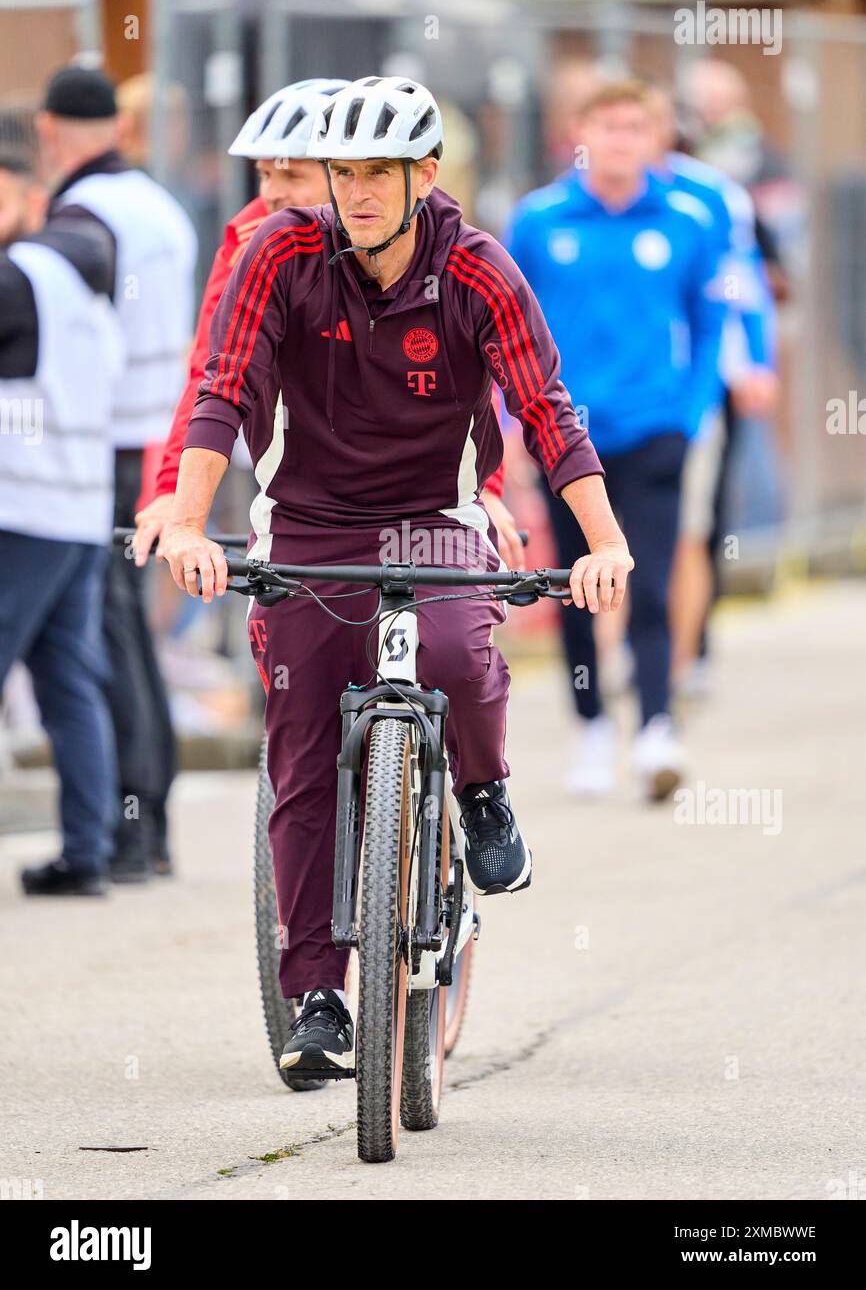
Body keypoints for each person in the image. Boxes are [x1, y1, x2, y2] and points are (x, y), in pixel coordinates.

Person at [156, 75, 633, 1075]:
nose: (355, 189)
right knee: (298, 743)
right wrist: (190, 520)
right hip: (307, 524)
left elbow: (547, 407)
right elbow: (219, 387)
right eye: (341, 171)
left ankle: (485, 791)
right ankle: (318, 995)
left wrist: (602, 542)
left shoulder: (479, 269)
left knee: (460, 650)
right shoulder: (277, 253)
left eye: (378, 170)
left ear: (424, 173)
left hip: (435, 518)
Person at [133, 76, 522, 568]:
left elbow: (465, 382)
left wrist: (487, 491)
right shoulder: (252, 242)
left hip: (419, 500)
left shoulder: (426, 245)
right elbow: (209, 376)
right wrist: (173, 492)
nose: (272, 195)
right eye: (263, 175)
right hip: (302, 488)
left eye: (292, 177)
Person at [506, 79, 725, 801]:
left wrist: (692, 408)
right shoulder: (539, 220)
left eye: (636, 126)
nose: (621, 140)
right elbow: (508, 324)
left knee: (653, 579)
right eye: (608, 125)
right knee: (576, 581)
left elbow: (708, 320)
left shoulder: (688, 219)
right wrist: (513, 423)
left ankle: (658, 726)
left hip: (656, 427)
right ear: (582, 132)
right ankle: (592, 724)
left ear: (656, 136)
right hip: (566, 435)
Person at [36, 65, 198, 881]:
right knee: (123, 624)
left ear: (48, 129)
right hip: (156, 433)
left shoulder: (84, 213)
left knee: (107, 628)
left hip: (103, 442)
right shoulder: (156, 205)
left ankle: (134, 819)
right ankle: (146, 816)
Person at [0, 152, 123, 896]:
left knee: (65, 677)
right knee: (70, 679)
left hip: (22, 504)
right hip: (80, 506)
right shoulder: (81, 280)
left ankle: (89, 847)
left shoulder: (17, 276)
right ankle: (88, 849)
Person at [647, 90, 778, 691]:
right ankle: (633, 648)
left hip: (708, 374)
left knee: (701, 516)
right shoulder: (586, 195)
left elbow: (743, 280)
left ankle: (692, 647)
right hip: (627, 385)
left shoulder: (713, 196)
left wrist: (757, 360)